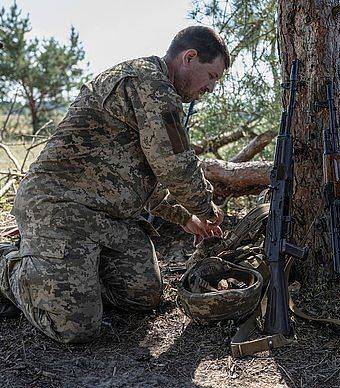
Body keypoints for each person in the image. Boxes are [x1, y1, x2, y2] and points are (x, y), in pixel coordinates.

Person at [0, 26, 229, 343]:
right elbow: (174, 163)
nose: (211, 87)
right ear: (189, 57)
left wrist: (185, 218)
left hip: (107, 219)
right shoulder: (150, 83)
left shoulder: (156, 90)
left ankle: (66, 275)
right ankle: (9, 263)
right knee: (75, 326)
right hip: (59, 209)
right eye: (212, 76)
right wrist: (204, 208)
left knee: (143, 295)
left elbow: (142, 177)